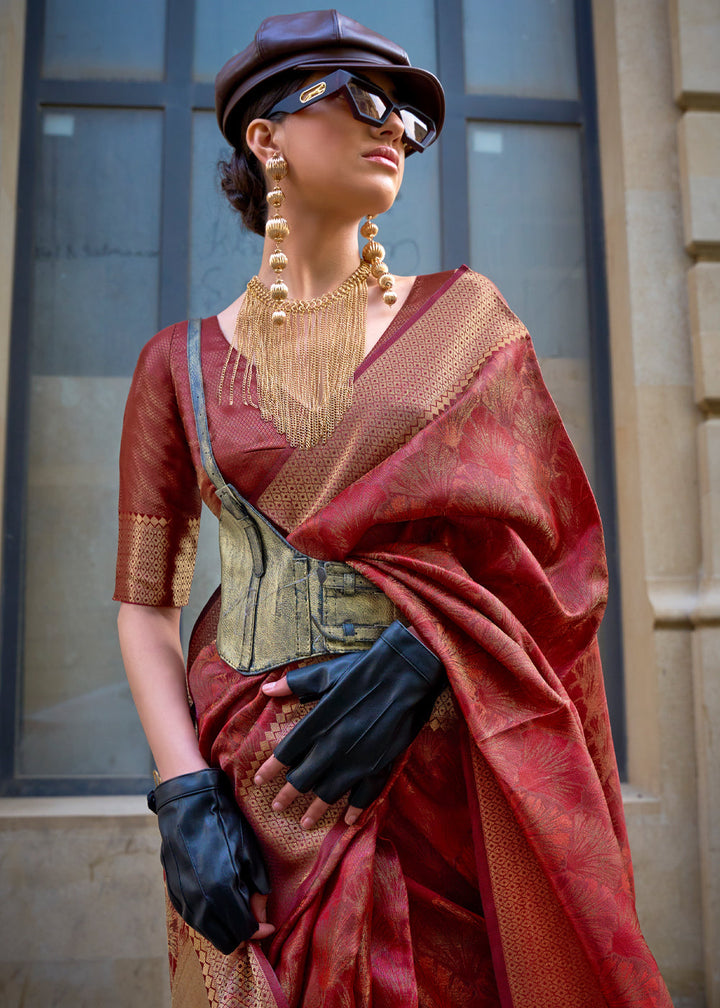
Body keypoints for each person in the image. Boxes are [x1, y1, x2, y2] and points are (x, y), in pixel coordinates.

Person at [115, 10, 673, 1007]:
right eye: (364, 100)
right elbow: (144, 600)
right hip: (256, 782)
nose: (397, 129)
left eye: (411, 117)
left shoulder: (469, 325)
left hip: (437, 780)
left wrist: (426, 656)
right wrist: (181, 792)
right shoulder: (177, 367)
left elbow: (561, 554)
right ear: (265, 135)